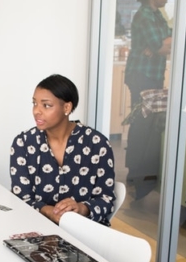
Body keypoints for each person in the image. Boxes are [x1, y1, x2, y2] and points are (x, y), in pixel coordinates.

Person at [10, 74, 116, 225]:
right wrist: (49, 212)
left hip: (84, 233)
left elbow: (106, 200)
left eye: (46, 105)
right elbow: (20, 198)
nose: (36, 111)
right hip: (37, 229)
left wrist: (81, 208)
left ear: (67, 107)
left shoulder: (97, 144)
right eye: (34, 103)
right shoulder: (23, 144)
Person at [124, 0, 172, 109]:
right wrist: (159, 47)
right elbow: (161, 47)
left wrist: (159, 46)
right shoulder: (145, 16)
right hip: (143, 75)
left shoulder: (156, 14)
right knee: (142, 121)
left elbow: (169, 39)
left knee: (150, 121)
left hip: (153, 74)